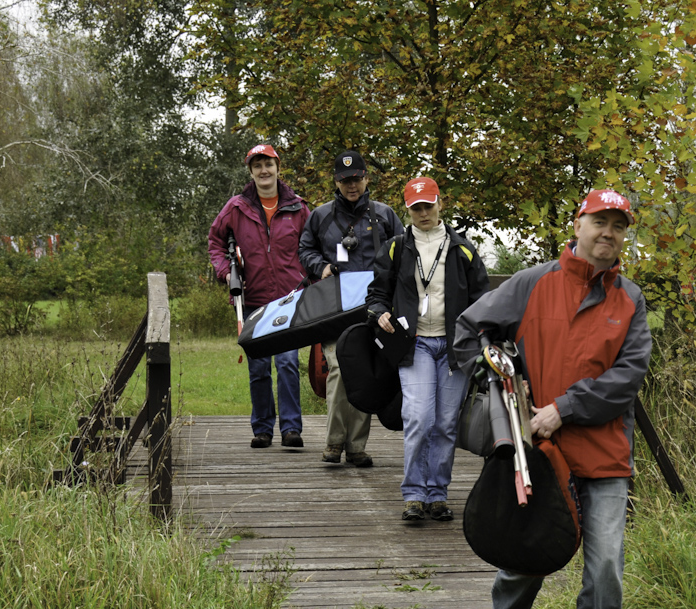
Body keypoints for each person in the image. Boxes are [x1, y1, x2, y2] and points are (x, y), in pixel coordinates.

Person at [453, 188, 650, 609]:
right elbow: (470, 330)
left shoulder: (630, 298)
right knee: (530, 555)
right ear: (579, 224)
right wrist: (501, 377)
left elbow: (629, 375)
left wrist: (563, 407)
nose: (608, 232)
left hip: (606, 455)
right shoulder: (532, 283)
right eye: (599, 222)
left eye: (618, 225)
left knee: (605, 564)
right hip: (539, 454)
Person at [366, 177, 490, 522]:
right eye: (416, 207)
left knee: (446, 423)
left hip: (453, 350)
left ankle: (437, 494)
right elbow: (376, 295)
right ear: (407, 209)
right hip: (414, 345)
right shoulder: (395, 248)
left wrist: (480, 335)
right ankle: (413, 494)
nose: (423, 213)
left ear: (440, 204)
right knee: (419, 418)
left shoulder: (462, 249)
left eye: (428, 205)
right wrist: (380, 313)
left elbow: (482, 299)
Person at [299, 150, 403, 468]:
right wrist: (321, 267)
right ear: (336, 182)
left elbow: (403, 252)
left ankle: (356, 447)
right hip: (335, 308)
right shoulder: (320, 216)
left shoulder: (384, 215)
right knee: (339, 371)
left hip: (373, 307)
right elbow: (305, 248)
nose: (351, 186)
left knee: (363, 375)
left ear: (366, 178)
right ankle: (333, 443)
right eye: (345, 181)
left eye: (356, 179)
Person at [208, 143, 310, 449]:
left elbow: (312, 247)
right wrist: (226, 271)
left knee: (289, 363)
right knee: (259, 366)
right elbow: (215, 242)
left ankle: (291, 429)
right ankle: (263, 428)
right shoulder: (236, 207)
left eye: (268, 164)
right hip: (251, 299)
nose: (264, 171)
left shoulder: (299, 207)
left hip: (290, 300)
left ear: (278, 168)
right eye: (257, 166)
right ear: (251, 172)